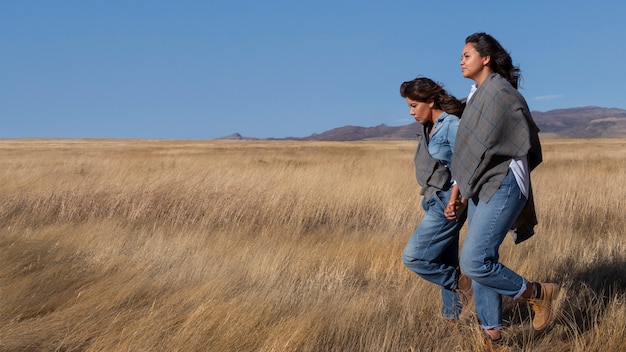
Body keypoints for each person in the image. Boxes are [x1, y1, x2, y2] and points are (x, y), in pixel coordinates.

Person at [449, 32, 559, 342]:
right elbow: (471, 148)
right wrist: (460, 190)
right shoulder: (477, 94)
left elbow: (497, 144)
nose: (460, 60)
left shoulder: (500, 93)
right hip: (483, 183)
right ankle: (493, 336)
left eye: (466, 55)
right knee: (483, 259)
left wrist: (463, 187)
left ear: (485, 58)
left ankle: (537, 293)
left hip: (505, 180)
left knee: (474, 260)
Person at [399, 77, 473, 323]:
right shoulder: (429, 125)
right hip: (433, 198)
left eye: (413, 105)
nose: (411, 112)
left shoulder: (450, 124)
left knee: (414, 257)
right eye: (408, 106)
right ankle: (451, 319)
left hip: (447, 201)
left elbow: (466, 162)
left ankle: (465, 286)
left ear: (430, 101)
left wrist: (456, 197)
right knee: (444, 259)